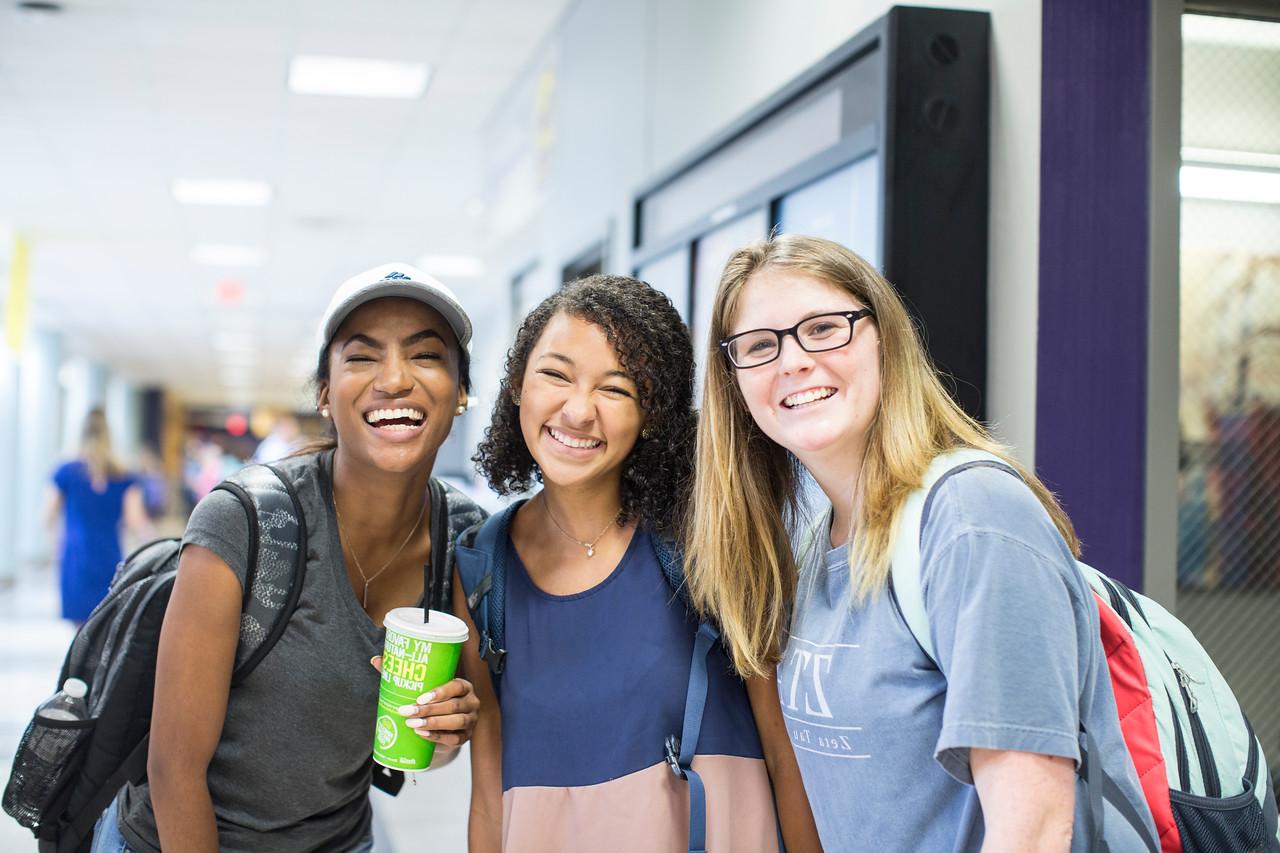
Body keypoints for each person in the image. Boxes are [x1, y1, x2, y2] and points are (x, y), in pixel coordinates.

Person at [684, 235, 1159, 852]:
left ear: (883, 337)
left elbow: (1034, 830)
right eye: (759, 345)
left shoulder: (973, 520)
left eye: (824, 329)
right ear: (735, 382)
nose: (793, 361)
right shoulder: (810, 546)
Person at [93, 263, 485, 853]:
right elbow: (174, 772)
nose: (395, 379)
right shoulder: (246, 521)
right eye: (362, 357)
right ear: (326, 393)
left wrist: (444, 731)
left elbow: (428, 753)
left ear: (459, 394)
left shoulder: (463, 538)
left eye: (426, 356)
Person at [457, 274, 820, 852]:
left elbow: (786, 751)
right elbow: (487, 792)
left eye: (617, 389)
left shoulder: (708, 541)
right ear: (518, 387)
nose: (578, 411)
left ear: (654, 416)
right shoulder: (482, 567)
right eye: (555, 374)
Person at [45, 407, 150, 624]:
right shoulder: (124, 475)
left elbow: (47, 516)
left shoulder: (66, 472)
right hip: (108, 555)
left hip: (75, 555)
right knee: (104, 622)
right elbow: (136, 521)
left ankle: (80, 658)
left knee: (79, 628)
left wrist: (56, 543)